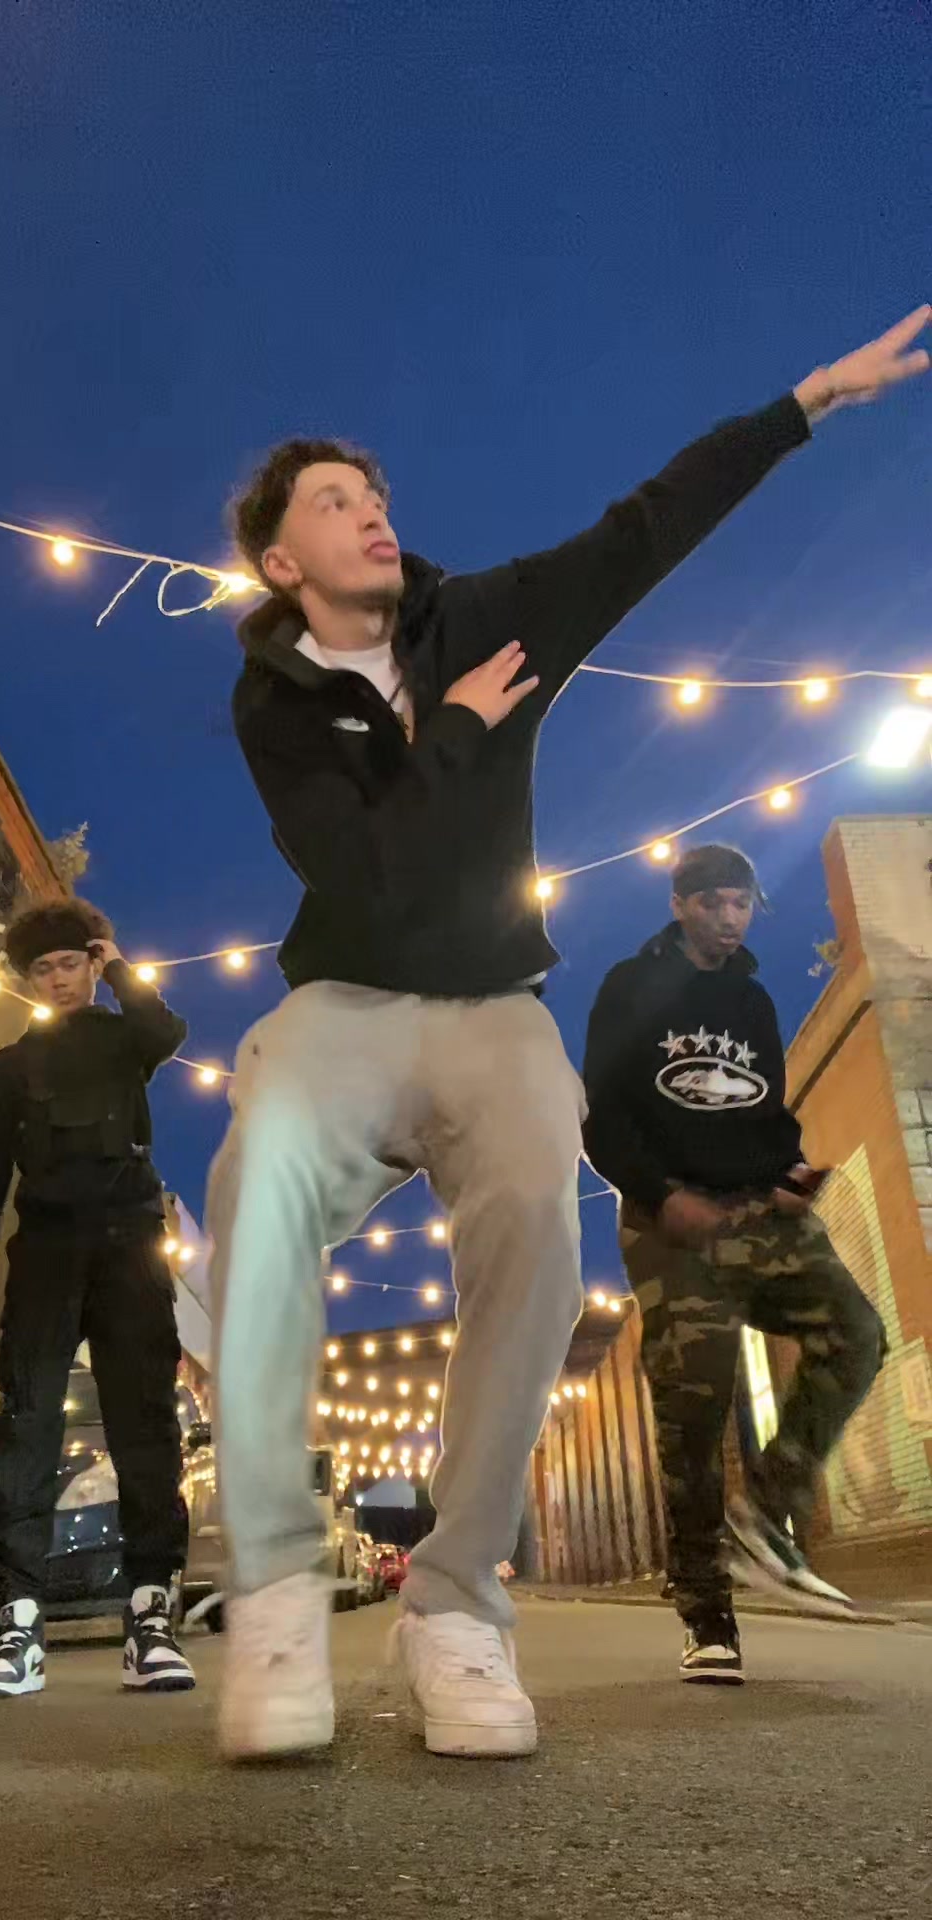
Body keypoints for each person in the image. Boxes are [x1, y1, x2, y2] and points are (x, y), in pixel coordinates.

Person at [207, 308, 927, 1758]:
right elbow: (365, 876)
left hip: (493, 1005)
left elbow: (642, 530)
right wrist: (456, 737)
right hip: (347, 1005)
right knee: (258, 1173)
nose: (374, 512)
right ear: (282, 562)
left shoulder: (489, 621)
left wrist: (805, 404)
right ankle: (275, 1591)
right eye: (336, 503)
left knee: (536, 1213)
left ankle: (455, 1603)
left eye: (377, 493)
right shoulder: (271, 700)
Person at [582, 844, 887, 1684]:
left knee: (856, 1334)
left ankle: (768, 1510)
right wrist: (659, 1193)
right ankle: (706, 1613)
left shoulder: (751, 999)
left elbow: (765, 1111)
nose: (728, 917)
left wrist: (791, 1172)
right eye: (712, 902)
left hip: (758, 1208)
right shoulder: (632, 986)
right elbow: (601, 1116)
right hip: (670, 1220)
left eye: (741, 903)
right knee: (694, 1405)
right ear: (679, 905)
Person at [0, 899, 196, 1701]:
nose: (57, 980)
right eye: (42, 970)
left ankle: (149, 1617)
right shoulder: (6, 1070)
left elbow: (166, 1031)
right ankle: (18, 1627)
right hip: (45, 1253)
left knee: (145, 1426)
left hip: (130, 1247)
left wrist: (121, 967)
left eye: (70, 964)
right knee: (24, 1429)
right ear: (27, 981)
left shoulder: (126, 1041)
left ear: (91, 964)